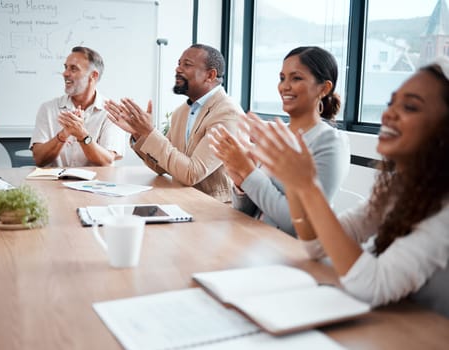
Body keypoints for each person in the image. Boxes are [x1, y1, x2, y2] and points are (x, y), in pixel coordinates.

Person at [246, 57, 449, 317]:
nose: (388, 114)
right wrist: (297, 185)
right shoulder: (400, 189)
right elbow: (316, 246)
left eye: (410, 107)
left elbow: (372, 285)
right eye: (390, 103)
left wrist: (306, 186)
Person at [209, 46, 350, 236]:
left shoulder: (330, 141)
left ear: (324, 88)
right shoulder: (276, 134)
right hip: (255, 243)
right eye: (282, 78)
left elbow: (300, 225)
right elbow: (247, 212)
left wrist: (248, 172)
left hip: (290, 252)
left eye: (296, 78)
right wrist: (240, 184)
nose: (285, 86)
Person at [105, 44, 243, 202]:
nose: (178, 69)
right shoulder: (181, 112)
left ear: (210, 75)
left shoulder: (228, 114)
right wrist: (139, 133)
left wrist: (150, 133)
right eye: (179, 64)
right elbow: (161, 166)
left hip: (213, 209)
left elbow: (192, 173)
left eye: (187, 64)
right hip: (181, 201)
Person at [30, 46, 125, 167]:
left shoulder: (111, 112)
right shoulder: (48, 109)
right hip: (54, 185)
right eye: (65, 67)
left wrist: (82, 135)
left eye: (73, 69)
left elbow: (106, 161)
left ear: (93, 75)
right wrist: (63, 135)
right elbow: (39, 159)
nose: (65, 73)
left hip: (96, 185)